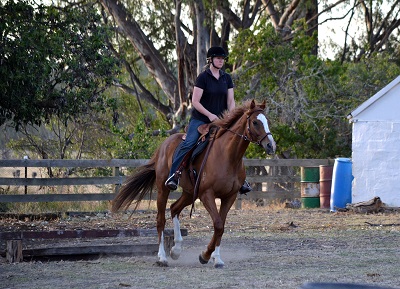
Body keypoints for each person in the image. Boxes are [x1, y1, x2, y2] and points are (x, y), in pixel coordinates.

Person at [165, 46, 252, 194]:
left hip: (222, 120)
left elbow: (231, 101)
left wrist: (231, 117)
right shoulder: (203, 78)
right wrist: (211, 115)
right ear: (210, 60)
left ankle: (241, 179)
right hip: (201, 120)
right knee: (189, 143)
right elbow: (196, 101)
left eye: (222, 59)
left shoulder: (227, 78)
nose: (221, 61)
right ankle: (174, 175)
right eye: (218, 58)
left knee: (235, 143)